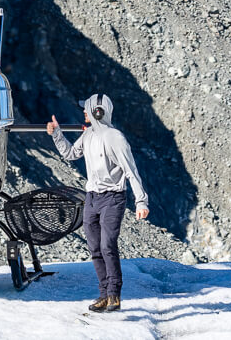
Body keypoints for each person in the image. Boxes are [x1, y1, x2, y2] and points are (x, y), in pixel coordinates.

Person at [47, 93, 149, 313]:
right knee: (95, 248)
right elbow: (70, 153)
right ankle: (103, 295)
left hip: (113, 198)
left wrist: (141, 202)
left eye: (87, 108)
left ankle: (114, 295)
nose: (83, 112)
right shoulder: (88, 135)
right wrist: (56, 134)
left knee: (107, 246)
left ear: (97, 111)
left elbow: (131, 171)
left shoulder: (115, 137)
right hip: (91, 198)